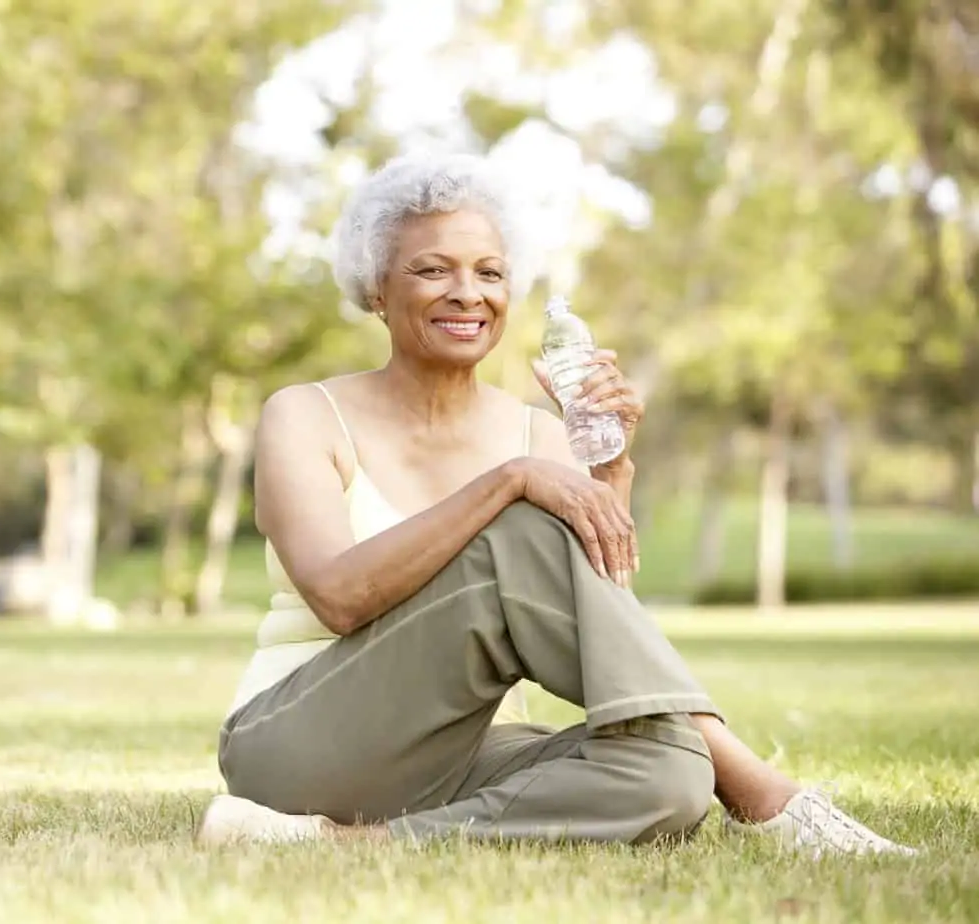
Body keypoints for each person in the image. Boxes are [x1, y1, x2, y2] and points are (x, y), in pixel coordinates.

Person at [196, 152, 917, 856]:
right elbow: (338, 596)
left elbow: (599, 629)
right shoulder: (305, 415)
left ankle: (345, 843)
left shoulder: (539, 436)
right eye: (431, 269)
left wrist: (610, 471)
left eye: (490, 272)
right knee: (517, 526)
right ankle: (767, 798)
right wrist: (507, 483)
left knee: (672, 770)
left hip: (464, 751)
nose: (467, 292)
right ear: (376, 286)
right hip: (299, 743)